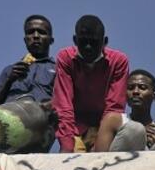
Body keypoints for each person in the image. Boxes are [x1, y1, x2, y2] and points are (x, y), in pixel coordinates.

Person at [51, 15, 130, 153]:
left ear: (104, 42)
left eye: (93, 42)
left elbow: (114, 106)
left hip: (105, 126)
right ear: (75, 40)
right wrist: (67, 145)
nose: (88, 47)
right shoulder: (65, 58)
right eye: (83, 42)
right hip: (75, 128)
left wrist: (101, 140)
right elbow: (63, 105)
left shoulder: (118, 61)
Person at [0, 15, 56, 109]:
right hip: (10, 120)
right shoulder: (10, 70)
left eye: (42, 32)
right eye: (30, 32)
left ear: (51, 40)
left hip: (45, 121)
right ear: (25, 40)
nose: (35, 36)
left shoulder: (59, 69)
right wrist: (9, 81)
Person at [110, 69, 155, 151]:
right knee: (135, 129)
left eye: (142, 87)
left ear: (154, 96)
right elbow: (98, 157)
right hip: (119, 162)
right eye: (130, 88)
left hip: (151, 163)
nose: (135, 91)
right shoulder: (114, 121)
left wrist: (154, 146)